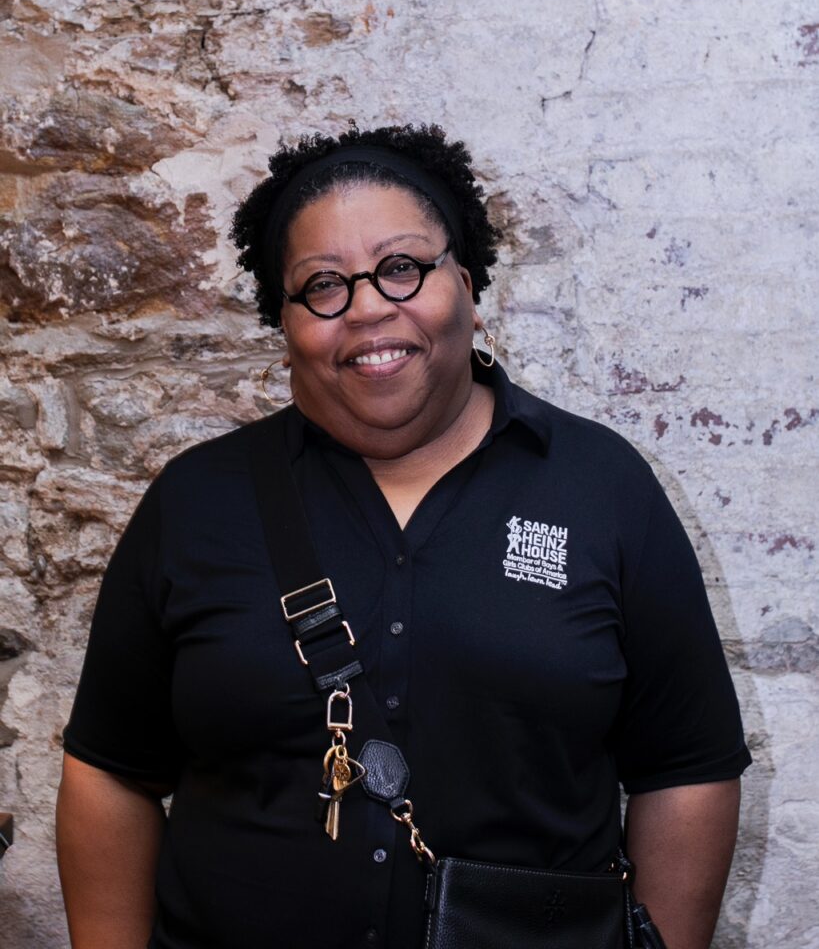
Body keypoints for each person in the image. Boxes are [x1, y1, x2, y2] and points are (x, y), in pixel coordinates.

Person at [56, 122, 751, 949]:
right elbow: (109, 769)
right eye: (322, 285)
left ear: (464, 278)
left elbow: (686, 770)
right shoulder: (198, 499)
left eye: (400, 268)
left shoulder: (603, 488)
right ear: (283, 319)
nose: (367, 310)